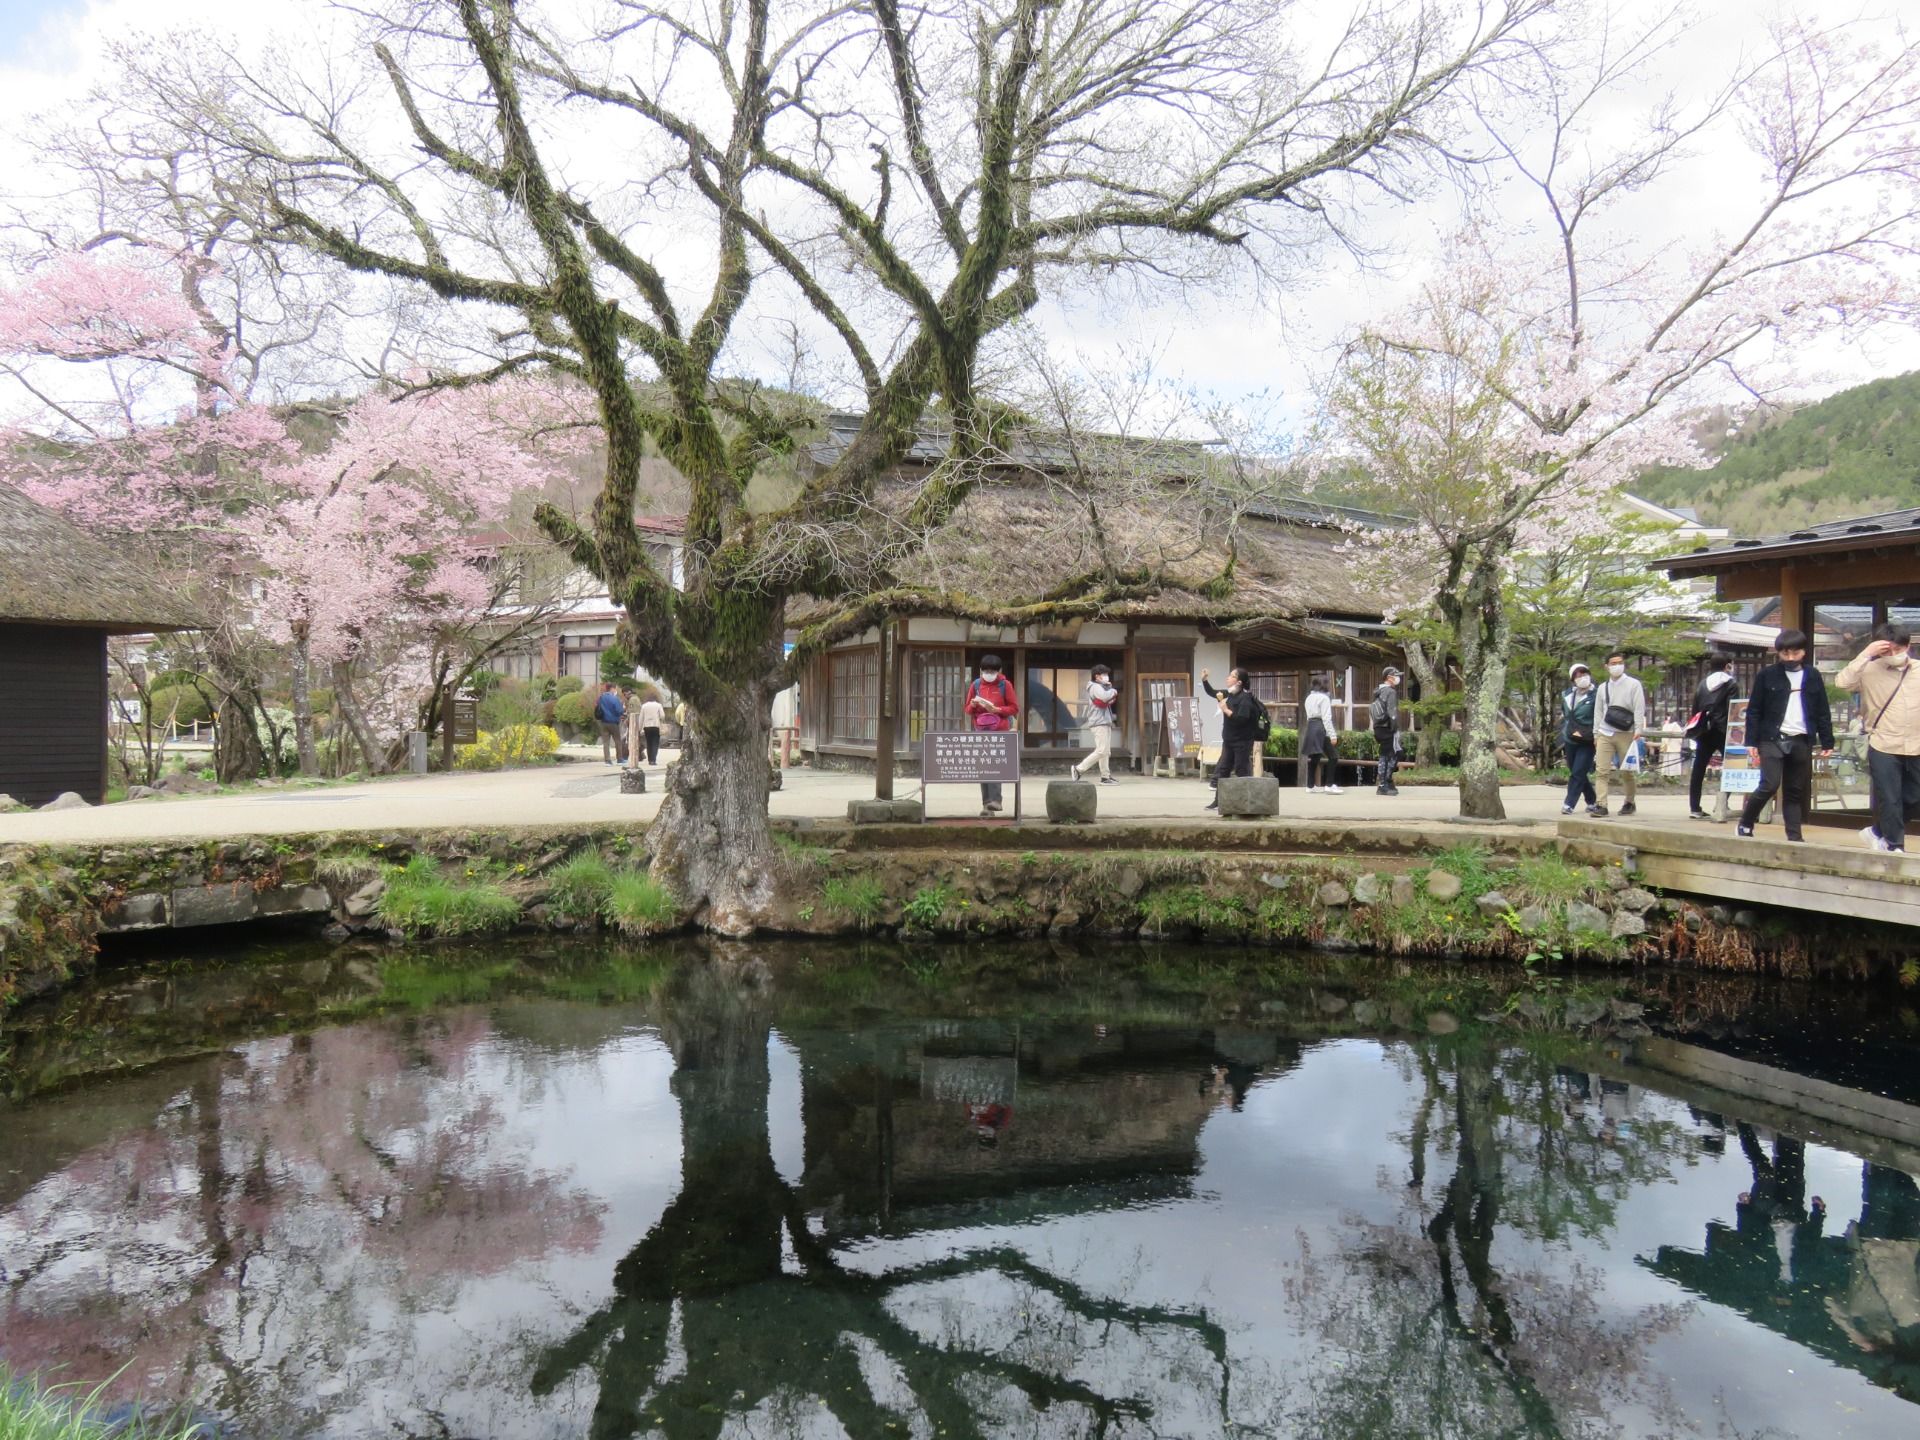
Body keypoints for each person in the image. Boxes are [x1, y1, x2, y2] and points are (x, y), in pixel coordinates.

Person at [1737, 628, 1834, 843]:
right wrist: (1751, 741)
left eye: (1794, 653)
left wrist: (1827, 740)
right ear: (1778, 653)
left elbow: (1822, 710)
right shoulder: (1767, 675)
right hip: (1772, 737)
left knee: (1794, 790)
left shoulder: (1813, 675)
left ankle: (1795, 836)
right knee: (1769, 784)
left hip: (1801, 737)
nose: (1790, 658)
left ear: (1803, 652)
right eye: (1785, 654)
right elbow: (1754, 710)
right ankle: (1745, 822)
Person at [1838, 623, 1920, 853]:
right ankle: (1895, 846)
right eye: (1887, 650)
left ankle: (1877, 832)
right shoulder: (1868, 669)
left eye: (1898, 649)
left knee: (1914, 798)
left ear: (1908, 646)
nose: (1893, 655)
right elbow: (1842, 682)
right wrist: (1867, 653)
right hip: (1883, 742)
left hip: (1916, 743)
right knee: (1890, 797)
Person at [1589, 650, 1647, 817]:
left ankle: (1629, 801)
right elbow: (1598, 712)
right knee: (1601, 770)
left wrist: (1638, 730)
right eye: (1613, 663)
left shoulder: (1633, 684)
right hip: (1605, 732)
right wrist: (1595, 733)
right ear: (1606, 667)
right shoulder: (1603, 688)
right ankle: (1601, 804)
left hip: (1626, 732)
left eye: (1619, 663)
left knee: (1626, 770)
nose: (1617, 666)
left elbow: (1638, 708)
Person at [1200, 667, 1261, 811]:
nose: (1228, 678)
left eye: (1231, 676)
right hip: (1229, 740)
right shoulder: (1230, 694)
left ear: (1239, 682)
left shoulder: (1245, 698)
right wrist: (1204, 680)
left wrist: (1226, 710)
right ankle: (1218, 801)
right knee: (1223, 770)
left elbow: (1242, 719)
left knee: (1242, 771)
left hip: (1242, 741)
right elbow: (1213, 693)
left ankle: (1247, 802)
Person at [965, 654, 1019, 816]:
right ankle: (987, 804)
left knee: (994, 765)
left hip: (999, 731)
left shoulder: (1005, 685)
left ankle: (996, 800)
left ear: (999, 671)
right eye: (986, 670)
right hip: (981, 730)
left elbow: (1014, 708)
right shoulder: (975, 685)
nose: (989, 673)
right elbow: (967, 709)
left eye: (992, 671)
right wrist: (974, 705)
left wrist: (998, 710)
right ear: (981, 670)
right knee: (984, 767)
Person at [1686, 655, 1739, 818]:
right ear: (1727, 666)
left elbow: (1695, 710)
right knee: (1733, 766)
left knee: (1699, 769)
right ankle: (1721, 804)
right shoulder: (1731, 684)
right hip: (1724, 731)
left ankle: (1695, 807)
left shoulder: (1702, 684)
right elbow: (1734, 709)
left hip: (1705, 731)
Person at [1561, 662, 1600, 816]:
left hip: (1588, 739)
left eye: (1584, 674)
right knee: (1577, 771)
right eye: (1578, 675)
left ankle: (1569, 803)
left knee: (1577, 771)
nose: (1582, 678)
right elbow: (1566, 714)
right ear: (1573, 679)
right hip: (1571, 738)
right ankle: (1591, 800)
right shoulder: (1567, 694)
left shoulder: (1597, 694)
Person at [1072, 663, 1120, 784]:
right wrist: (1113, 691)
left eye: (1107, 674)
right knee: (1101, 750)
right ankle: (1079, 769)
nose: (1106, 676)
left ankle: (1105, 776)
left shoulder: (1100, 686)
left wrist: (1109, 689)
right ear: (1097, 676)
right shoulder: (1095, 687)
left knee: (1105, 751)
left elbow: (1105, 699)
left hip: (1103, 721)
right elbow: (1104, 697)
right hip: (1099, 722)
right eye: (1104, 674)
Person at [1303, 677, 1341, 793]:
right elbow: (1326, 718)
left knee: (1314, 757)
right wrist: (1333, 735)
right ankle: (1329, 785)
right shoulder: (1324, 698)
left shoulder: (1308, 697)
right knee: (1333, 756)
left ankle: (1310, 785)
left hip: (1311, 727)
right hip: (1320, 727)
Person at [1370, 667, 1402, 795]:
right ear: (1389, 677)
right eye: (1396, 676)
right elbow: (1392, 713)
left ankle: (1386, 782)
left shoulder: (1378, 691)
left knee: (1385, 755)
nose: (1398, 678)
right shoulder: (1390, 692)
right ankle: (1384, 784)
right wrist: (1394, 729)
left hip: (1378, 727)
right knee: (1392, 755)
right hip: (1387, 728)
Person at [593, 682, 626, 765]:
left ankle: (607, 760)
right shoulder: (614, 698)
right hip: (614, 722)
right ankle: (619, 759)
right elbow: (619, 710)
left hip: (603, 722)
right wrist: (623, 709)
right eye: (615, 688)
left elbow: (597, 706)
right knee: (617, 741)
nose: (616, 690)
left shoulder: (601, 697)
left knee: (606, 742)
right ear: (612, 688)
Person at [636, 692, 666, 766]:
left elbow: (641, 718)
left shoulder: (644, 706)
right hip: (655, 726)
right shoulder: (658, 705)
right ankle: (653, 760)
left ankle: (650, 759)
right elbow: (662, 716)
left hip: (647, 726)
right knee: (655, 743)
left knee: (649, 743)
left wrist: (639, 729)